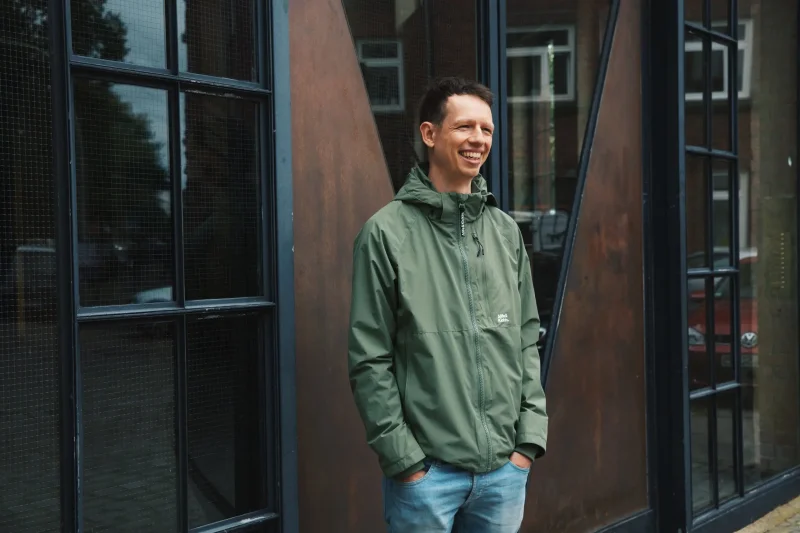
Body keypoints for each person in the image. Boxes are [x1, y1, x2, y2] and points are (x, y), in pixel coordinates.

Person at [347, 76, 548, 532]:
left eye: (487, 130)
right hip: (427, 478)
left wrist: (527, 444)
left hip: (504, 474)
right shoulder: (385, 234)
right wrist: (405, 460)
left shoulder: (505, 232)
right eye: (465, 127)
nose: (478, 139)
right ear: (430, 134)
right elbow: (369, 358)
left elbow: (525, 339)